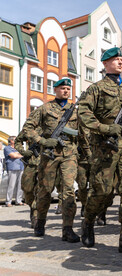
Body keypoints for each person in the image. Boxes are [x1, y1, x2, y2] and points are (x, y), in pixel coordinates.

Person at [78, 47, 122, 255]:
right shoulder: (96, 88)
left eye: (121, 60)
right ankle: (88, 222)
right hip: (105, 146)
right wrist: (105, 128)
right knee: (102, 191)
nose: (120, 62)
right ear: (105, 64)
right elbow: (83, 113)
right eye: (115, 59)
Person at [25, 78, 80, 242]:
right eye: (62, 88)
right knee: (45, 191)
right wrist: (42, 141)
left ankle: (68, 229)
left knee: (69, 190)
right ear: (55, 90)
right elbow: (28, 128)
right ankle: (40, 222)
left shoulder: (75, 110)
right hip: (49, 156)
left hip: (69, 154)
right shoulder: (44, 108)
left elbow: (83, 133)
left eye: (68, 89)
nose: (65, 91)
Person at [14, 116, 42, 227]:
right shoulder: (28, 129)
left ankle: (36, 214)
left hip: (44, 163)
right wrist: (23, 152)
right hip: (30, 163)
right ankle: (32, 207)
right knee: (27, 188)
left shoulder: (49, 128)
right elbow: (17, 141)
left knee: (42, 190)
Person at [3, 136, 24, 207]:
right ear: (11, 141)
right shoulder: (7, 148)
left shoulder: (19, 148)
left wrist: (19, 155)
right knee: (11, 186)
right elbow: (13, 156)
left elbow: (22, 154)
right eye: (15, 139)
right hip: (12, 168)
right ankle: (8, 201)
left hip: (21, 167)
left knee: (20, 185)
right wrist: (20, 155)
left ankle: (18, 200)